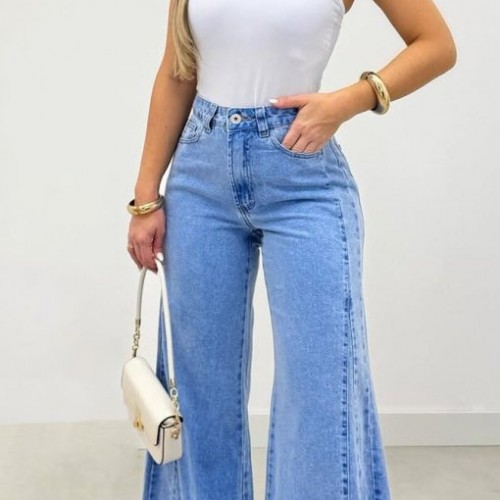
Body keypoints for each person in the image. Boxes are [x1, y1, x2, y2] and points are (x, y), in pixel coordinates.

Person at [126, 0, 456, 498]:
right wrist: (146, 197)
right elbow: (178, 71)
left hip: (305, 181)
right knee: (197, 392)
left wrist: (349, 100)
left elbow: (436, 44)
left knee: (320, 390)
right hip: (199, 181)